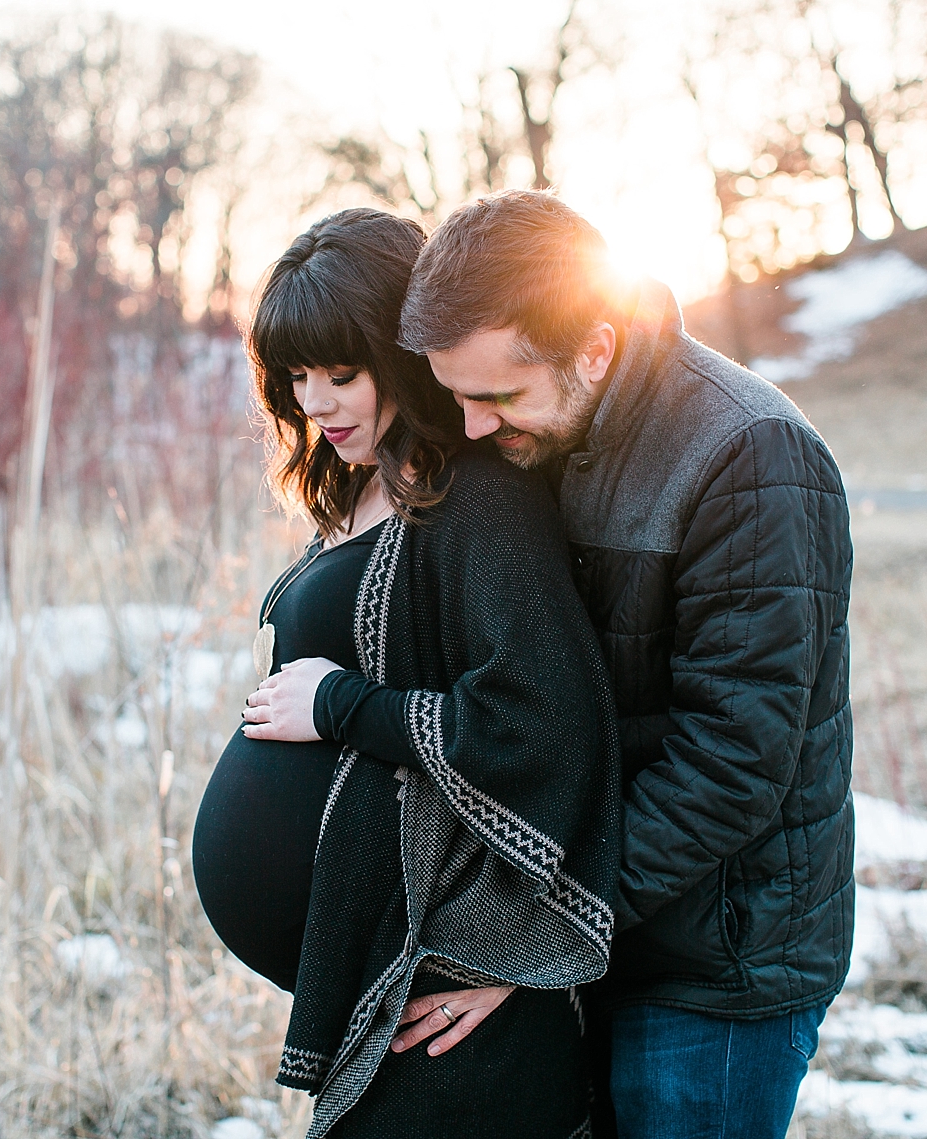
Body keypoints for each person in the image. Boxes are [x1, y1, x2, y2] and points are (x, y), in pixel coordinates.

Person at [394, 190, 855, 1139]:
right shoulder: (547, 433)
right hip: (602, 931)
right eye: (455, 396)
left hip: (714, 966)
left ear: (594, 349)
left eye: (496, 397)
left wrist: (532, 927)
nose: (473, 428)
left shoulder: (747, 454)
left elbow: (731, 765)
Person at [190, 207, 622, 1139]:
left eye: (342, 373)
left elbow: (541, 722)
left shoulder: (480, 501)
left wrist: (342, 705)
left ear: (406, 351)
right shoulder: (365, 487)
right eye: (297, 376)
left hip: (448, 1000)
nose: (316, 401)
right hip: (389, 984)